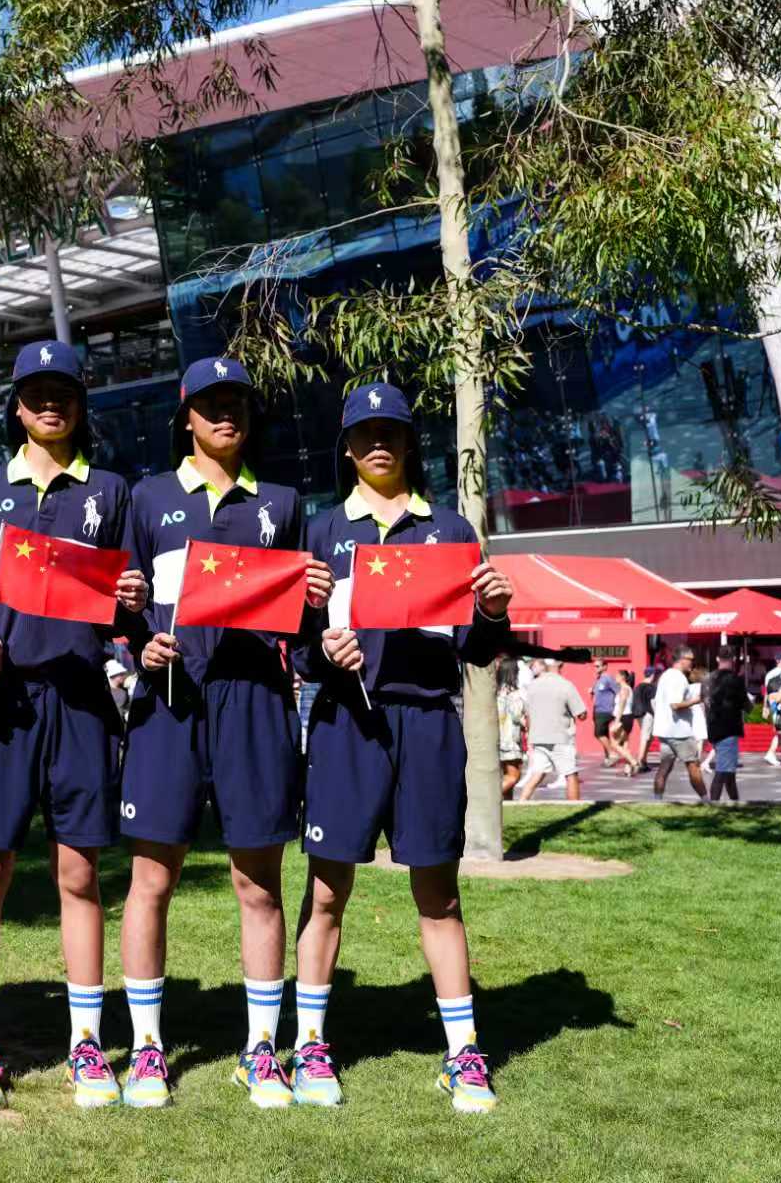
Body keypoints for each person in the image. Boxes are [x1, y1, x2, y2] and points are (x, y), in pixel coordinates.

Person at [111, 357, 333, 1110]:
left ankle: (261, 1050)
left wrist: (314, 604)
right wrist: (137, 642)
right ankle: (147, 1049)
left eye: (236, 402)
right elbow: (122, 608)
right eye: (210, 404)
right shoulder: (146, 498)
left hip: (255, 703)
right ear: (186, 416)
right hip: (169, 703)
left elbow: (299, 630)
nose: (225, 414)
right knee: (152, 880)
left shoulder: (281, 503)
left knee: (257, 882)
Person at [292, 381, 515, 1114]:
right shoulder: (323, 532)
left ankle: (463, 1055)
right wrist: (323, 647)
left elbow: (476, 648)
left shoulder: (450, 531)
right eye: (365, 433)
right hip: (346, 725)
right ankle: (310, 1046)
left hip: (427, 726)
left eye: (391, 431)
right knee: (327, 891)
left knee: (438, 893)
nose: (379, 442)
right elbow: (300, 653)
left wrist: (491, 611)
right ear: (347, 448)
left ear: (411, 442)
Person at [0, 341, 147, 1111]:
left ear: (79, 402)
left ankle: (86, 1044)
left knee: (78, 875)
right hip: (4, 705)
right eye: (36, 393)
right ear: (18, 405)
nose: (50, 404)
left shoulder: (111, 490)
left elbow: (129, 603)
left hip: (81, 702)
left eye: (63, 391)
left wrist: (131, 602)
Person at [516, 657, 584, 802]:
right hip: (560, 736)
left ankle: (522, 801)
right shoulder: (565, 685)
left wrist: (529, 733)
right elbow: (581, 713)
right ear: (561, 665)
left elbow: (528, 714)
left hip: (538, 737)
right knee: (571, 774)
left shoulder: (532, 686)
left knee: (538, 772)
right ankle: (575, 806)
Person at [651, 646, 705, 802]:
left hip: (665, 731)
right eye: (690, 660)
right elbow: (675, 705)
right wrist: (697, 700)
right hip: (680, 732)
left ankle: (657, 800)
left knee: (665, 767)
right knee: (693, 766)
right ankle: (706, 800)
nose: (692, 663)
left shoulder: (665, 675)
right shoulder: (678, 678)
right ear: (682, 660)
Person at [703, 649, 751, 803]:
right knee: (723, 771)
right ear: (733, 659)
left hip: (713, 727)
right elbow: (747, 706)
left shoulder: (708, 679)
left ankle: (735, 801)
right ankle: (714, 804)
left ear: (717, 658)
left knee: (729, 771)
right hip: (729, 728)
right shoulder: (735, 680)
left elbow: (704, 703)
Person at [496, 658, 526, 797]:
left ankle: (507, 804)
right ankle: (487, 800)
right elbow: (517, 716)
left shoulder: (495, 692)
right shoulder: (514, 694)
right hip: (510, 739)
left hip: (497, 738)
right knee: (514, 776)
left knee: (505, 774)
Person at [591, 661, 624, 768]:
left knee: (598, 733)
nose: (595, 668)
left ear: (605, 666)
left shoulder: (608, 679)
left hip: (606, 711)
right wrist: (592, 691)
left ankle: (612, 754)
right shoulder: (598, 679)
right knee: (604, 734)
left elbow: (619, 691)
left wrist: (618, 708)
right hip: (597, 710)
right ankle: (608, 758)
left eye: (598, 666)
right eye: (595, 666)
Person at [760, 656, 781, 766]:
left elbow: (766, 692)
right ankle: (771, 752)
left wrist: (765, 707)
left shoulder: (769, 674)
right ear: (779, 661)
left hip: (773, 704)